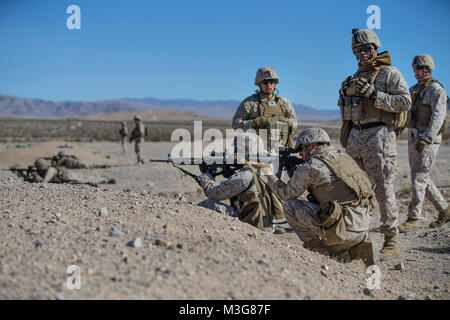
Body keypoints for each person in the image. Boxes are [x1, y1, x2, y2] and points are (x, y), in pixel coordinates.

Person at [337, 28, 411, 261]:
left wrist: (374, 94)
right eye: (358, 50)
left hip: (379, 135)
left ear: (375, 48)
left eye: (366, 48)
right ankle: (358, 237)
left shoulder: (390, 74)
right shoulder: (352, 78)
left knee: (382, 187)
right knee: (352, 188)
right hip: (356, 136)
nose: (363, 53)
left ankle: (391, 239)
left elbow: (404, 102)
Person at [267, 128, 378, 266]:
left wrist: (267, 173)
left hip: (343, 231)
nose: (300, 154)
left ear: (312, 146)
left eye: (301, 149)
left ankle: (320, 253)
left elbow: (285, 194)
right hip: (364, 226)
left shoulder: (310, 166)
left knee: (289, 206)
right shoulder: (343, 157)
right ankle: (357, 249)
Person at [398, 54, 449, 232]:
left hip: (427, 140)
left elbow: (438, 117)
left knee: (419, 177)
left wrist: (427, 138)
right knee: (420, 177)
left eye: (418, 69)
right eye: (414, 70)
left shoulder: (436, 91)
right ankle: (444, 210)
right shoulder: (414, 90)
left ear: (428, 69)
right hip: (413, 137)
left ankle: (414, 218)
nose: (416, 73)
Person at [197, 135, 285, 233]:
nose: (234, 153)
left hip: (252, 225)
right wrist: (230, 173)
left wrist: (206, 177)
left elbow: (213, 193)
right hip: (265, 223)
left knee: (209, 203)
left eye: (236, 149)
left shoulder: (246, 175)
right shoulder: (266, 169)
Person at [232, 67, 298, 148]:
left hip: (281, 149)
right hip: (256, 149)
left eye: (271, 82)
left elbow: (294, 121)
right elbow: (235, 124)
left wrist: (289, 122)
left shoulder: (284, 103)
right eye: (265, 82)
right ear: (259, 84)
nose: (269, 85)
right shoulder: (249, 103)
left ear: (275, 83)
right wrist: (253, 123)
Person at [28, 158, 115, 186]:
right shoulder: (50, 169)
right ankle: (105, 180)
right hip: (66, 174)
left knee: (85, 180)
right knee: (85, 178)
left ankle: (104, 180)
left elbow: (44, 181)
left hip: (66, 176)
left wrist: (36, 177)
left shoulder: (50, 170)